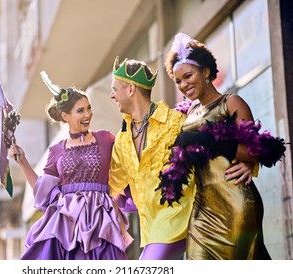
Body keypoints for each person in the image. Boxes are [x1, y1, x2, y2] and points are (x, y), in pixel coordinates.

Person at [108, 56, 254, 260]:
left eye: (115, 89)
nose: (111, 96)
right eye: (178, 81)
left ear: (131, 89)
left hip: (184, 217)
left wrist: (248, 161)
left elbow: (218, 141)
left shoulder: (178, 121)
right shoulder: (122, 139)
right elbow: (113, 186)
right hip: (151, 229)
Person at [162, 33, 286, 259]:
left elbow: (256, 150)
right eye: (178, 81)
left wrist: (212, 142)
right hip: (202, 208)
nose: (183, 85)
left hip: (235, 202)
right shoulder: (188, 113)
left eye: (188, 76)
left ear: (206, 71)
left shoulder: (231, 102)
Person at [9, 72, 133, 260]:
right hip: (67, 224)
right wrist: (23, 161)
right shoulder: (56, 150)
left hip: (101, 220)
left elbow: (128, 164)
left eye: (88, 108)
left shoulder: (106, 138)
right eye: (80, 111)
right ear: (65, 116)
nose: (88, 114)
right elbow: (42, 191)